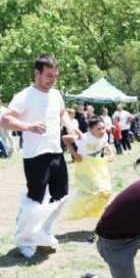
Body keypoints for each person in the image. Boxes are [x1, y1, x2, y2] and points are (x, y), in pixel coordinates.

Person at [1, 54, 83, 258]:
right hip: (35, 155)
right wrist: (28, 126)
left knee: (60, 195)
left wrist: (71, 126)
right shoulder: (24, 96)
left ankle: (44, 234)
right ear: (37, 73)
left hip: (56, 152)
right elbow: (6, 120)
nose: (52, 79)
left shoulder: (56, 95)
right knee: (35, 198)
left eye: (55, 75)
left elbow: (62, 112)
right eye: (48, 75)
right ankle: (26, 240)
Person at [62, 116, 114, 234]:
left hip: (99, 166)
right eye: (98, 129)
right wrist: (75, 154)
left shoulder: (104, 135)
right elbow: (65, 138)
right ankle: (101, 213)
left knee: (107, 191)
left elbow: (105, 144)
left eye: (103, 128)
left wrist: (111, 154)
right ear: (90, 129)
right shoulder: (84, 137)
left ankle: (101, 210)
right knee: (98, 190)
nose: (102, 131)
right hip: (86, 167)